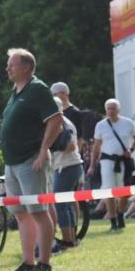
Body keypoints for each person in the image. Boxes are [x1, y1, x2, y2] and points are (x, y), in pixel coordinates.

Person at [0, 49, 63, 271]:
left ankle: (44, 263)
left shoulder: (37, 89)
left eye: (12, 65)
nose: (7, 68)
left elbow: (56, 120)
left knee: (38, 212)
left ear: (27, 67)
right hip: (12, 163)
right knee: (20, 213)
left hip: (30, 160)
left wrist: (43, 151)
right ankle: (28, 262)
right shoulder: (16, 91)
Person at [88, 99, 135, 232]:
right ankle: (112, 219)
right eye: (108, 109)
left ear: (119, 109)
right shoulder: (101, 125)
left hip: (124, 161)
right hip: (107, 160)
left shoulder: (128, 123)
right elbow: (96, 146)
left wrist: (131, 150)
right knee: (109, 190)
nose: (111, 111)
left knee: (125, 191)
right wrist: (92, 165)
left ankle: (120, 215)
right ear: (106, 110)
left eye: (113, 108)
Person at [49, 98, 83, 250]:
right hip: (69, 166)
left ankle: (68, 240)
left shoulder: (62, 123)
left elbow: (71, 146)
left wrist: (53, 146)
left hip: (66, 166)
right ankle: (71, 239)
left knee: (60, 204)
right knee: (66, 204)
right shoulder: (65, 122)